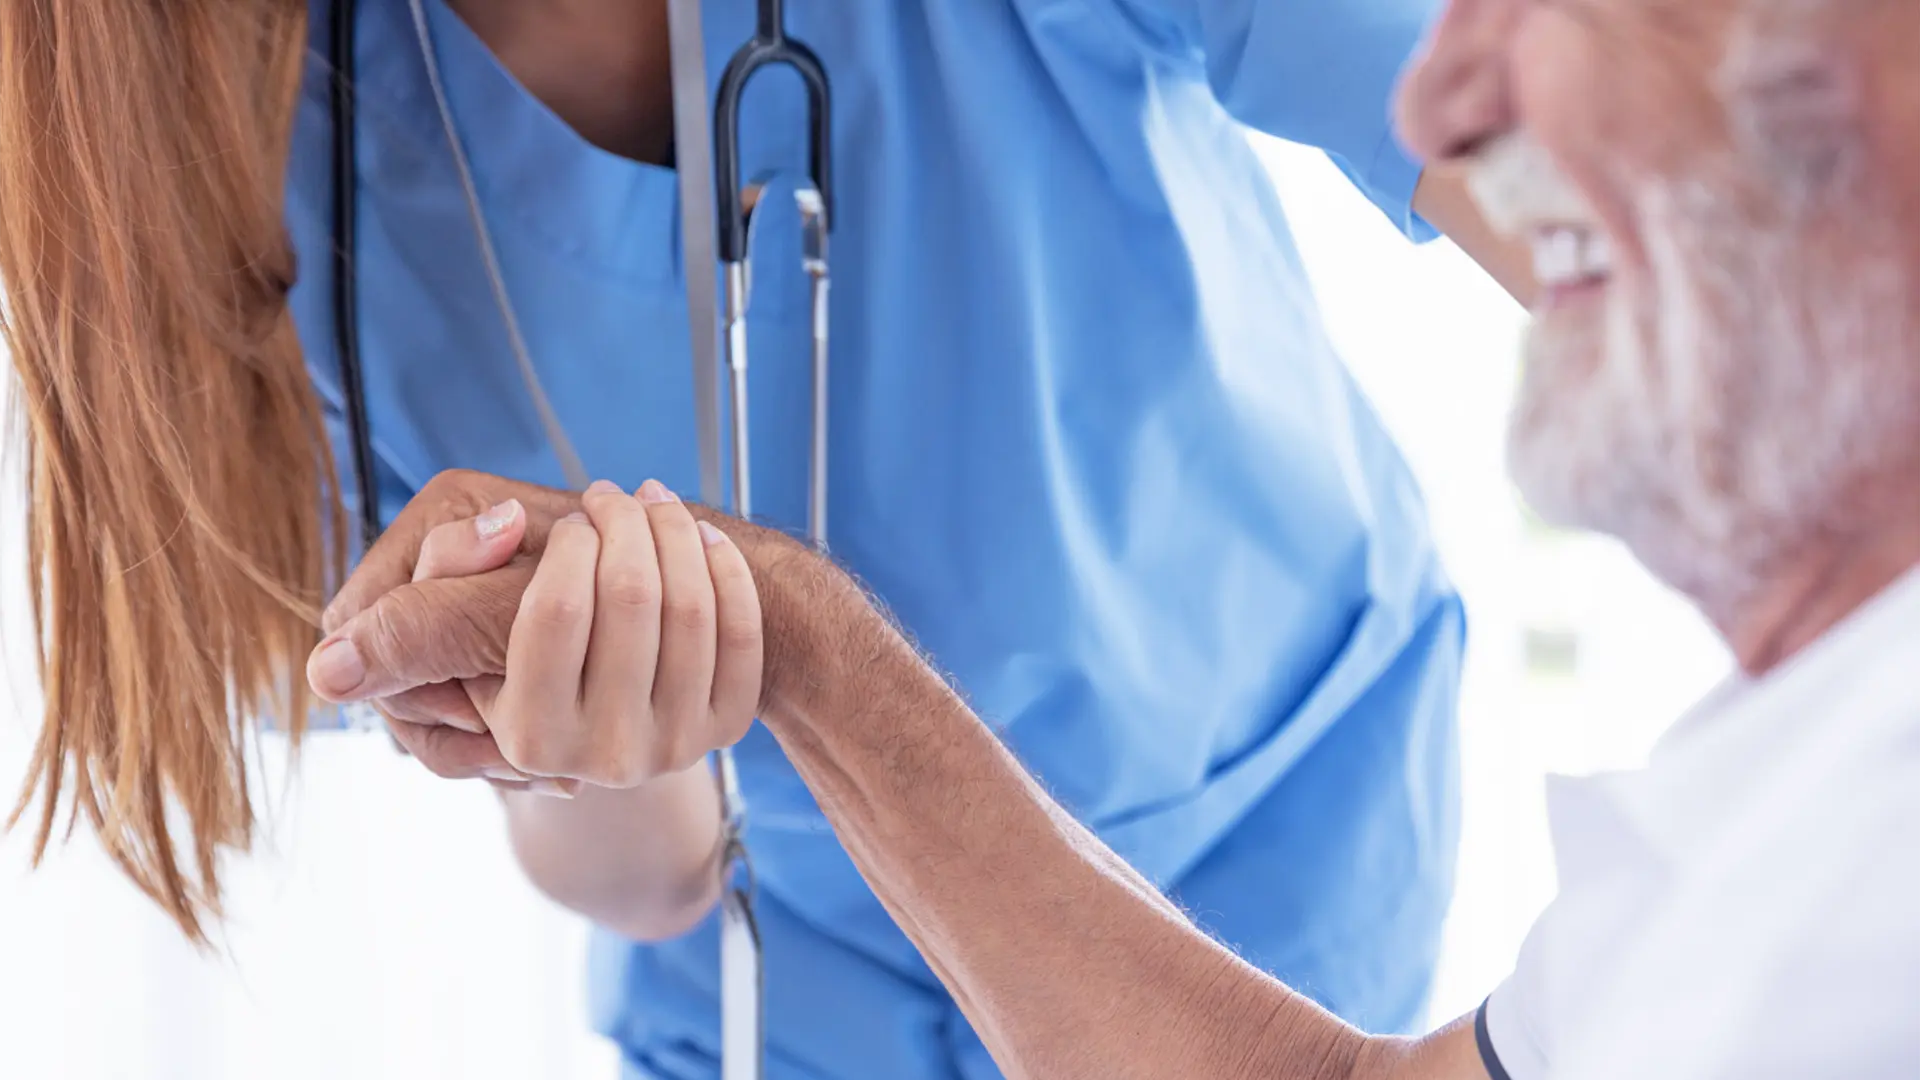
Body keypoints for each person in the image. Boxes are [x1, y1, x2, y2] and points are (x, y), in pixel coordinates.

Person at [317, 0, 1920, 1075]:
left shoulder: (1813, 849)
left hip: (1276, 861)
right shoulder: (278, 143)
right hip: (776, 997)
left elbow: (1626, 222)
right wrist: (628, 688)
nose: (1460, 73)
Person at [0, 2, 1524, 1079]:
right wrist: (587, 719)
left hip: (1262, 859)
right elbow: (645, 874)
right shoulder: (225, 148)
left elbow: (1574, 147)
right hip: (776, 980)